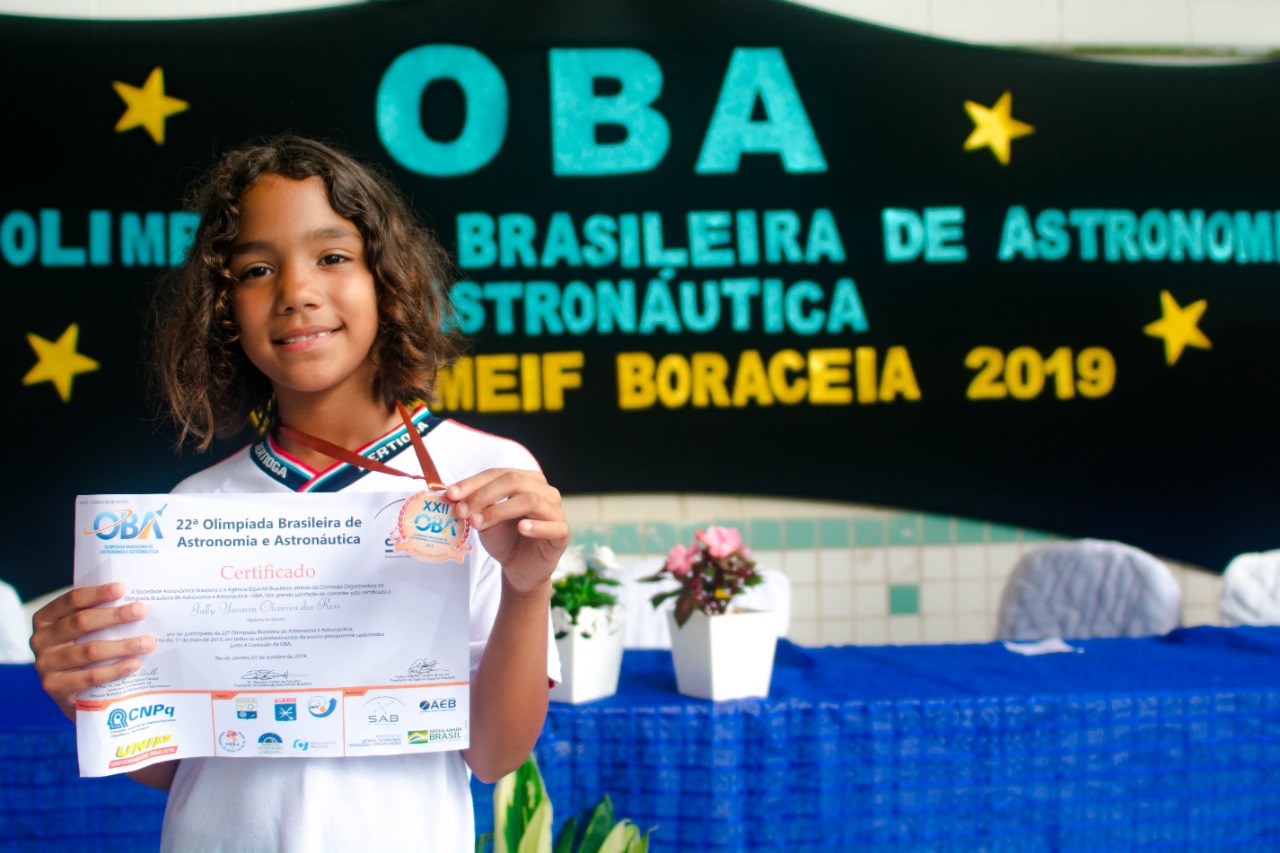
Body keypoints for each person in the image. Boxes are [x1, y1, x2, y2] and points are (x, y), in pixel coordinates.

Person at [28, 135, 566, 852]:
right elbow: (189, 762)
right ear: (224, 309)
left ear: (388, 279)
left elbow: (495, 754)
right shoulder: (193, 510)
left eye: (334, 256)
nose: (296, 291)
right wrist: (89, 693)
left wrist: (527, 587)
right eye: (256, 268)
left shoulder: (485, 476)